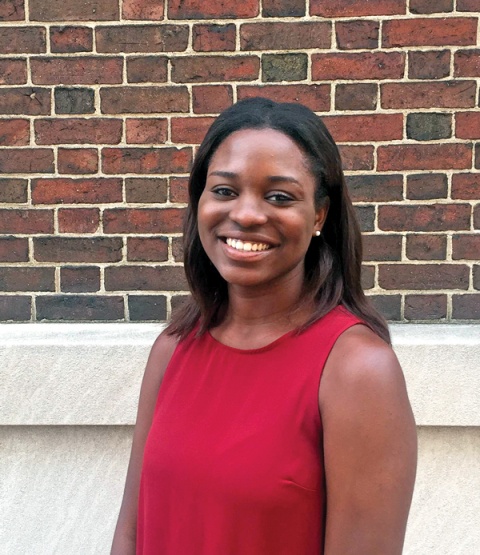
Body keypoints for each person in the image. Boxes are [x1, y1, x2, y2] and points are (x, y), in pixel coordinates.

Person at [111, 97, 417, 555]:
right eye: (225, 191)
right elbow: (131, 535)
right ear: (200, 202)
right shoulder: (173, 348)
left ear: (319, 215)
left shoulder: (357, 371)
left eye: (279, 196)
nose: (248, 215)